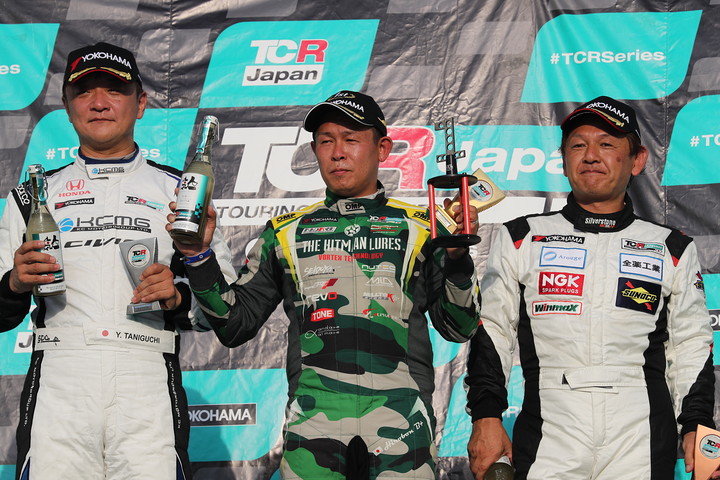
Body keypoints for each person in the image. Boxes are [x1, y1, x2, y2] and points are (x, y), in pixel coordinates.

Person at [168, 90, 481, 479]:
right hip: (313, 426)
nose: (337, 153)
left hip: (403, 424)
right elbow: (234, 326)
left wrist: (457, 258)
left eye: (351, 139)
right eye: (326, 141)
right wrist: (198, 257)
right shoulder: (285, 233)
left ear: (382, 149)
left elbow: (460, 328)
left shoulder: (422, 228)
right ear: (314, 150)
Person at [0, 42, 234, 479]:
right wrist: (14, 284)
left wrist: (176, 299)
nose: (99, 103)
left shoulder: (182, 191)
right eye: (85, 92)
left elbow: (225, 312)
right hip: (60, 381)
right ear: (67, 107)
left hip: (147, 377)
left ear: (140, 104)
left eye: (115, 90)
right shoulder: (31, 197)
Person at [464, 96, 716, 480]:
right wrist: (486, 415)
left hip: (641, 437)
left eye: (607, 144)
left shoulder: (671, 247)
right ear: (563, 160)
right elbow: (492, 331)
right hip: (550, 435)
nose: (591, 156)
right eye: (578, 145)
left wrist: (697, 424)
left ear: (637, 160)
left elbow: (691, 343)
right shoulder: (521, 237)